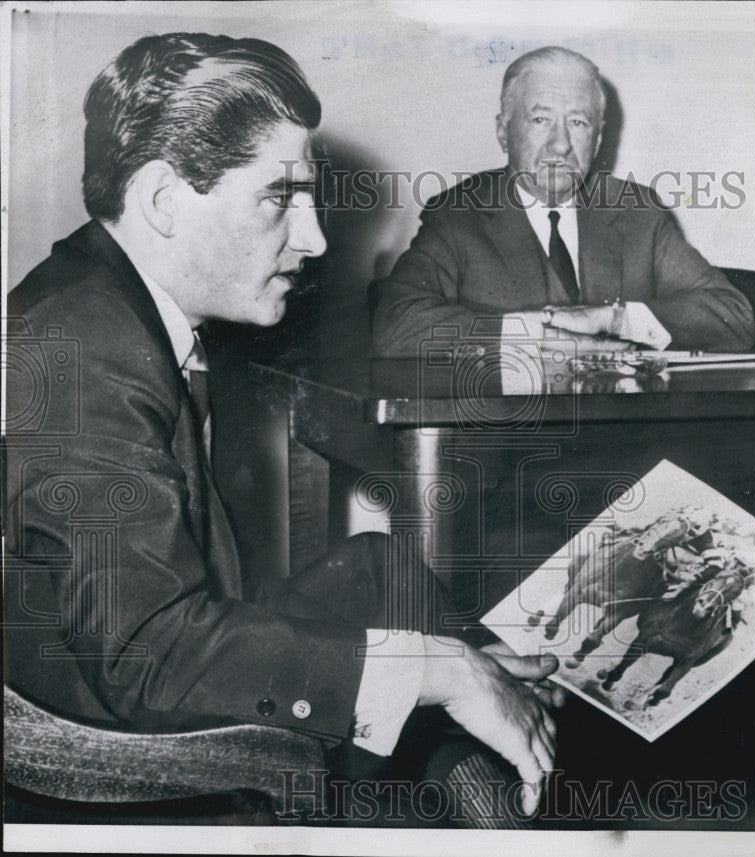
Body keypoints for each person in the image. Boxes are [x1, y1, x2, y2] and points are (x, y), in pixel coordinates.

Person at [4, 32, 560, 824]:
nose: (316, 239)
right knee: (446, 703)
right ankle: (502, 804)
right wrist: (439, 670)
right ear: (164, 199)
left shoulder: (110, 304)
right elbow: (147, 657)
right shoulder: (86, 350)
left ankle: (496, 748)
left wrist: (458, 659)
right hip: (124, 748)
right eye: (279, 197)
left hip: (117, 672)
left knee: (383, 565)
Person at [371, 46, 755, 357]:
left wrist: (614, 319)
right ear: (503, 131)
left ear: (598, 139)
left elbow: (734, 318)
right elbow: (397, 326)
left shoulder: (637, 211)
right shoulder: (458, 215)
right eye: (540, 120)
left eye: (578, 122)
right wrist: (534, 335)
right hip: (511, 436)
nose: (560, 144)